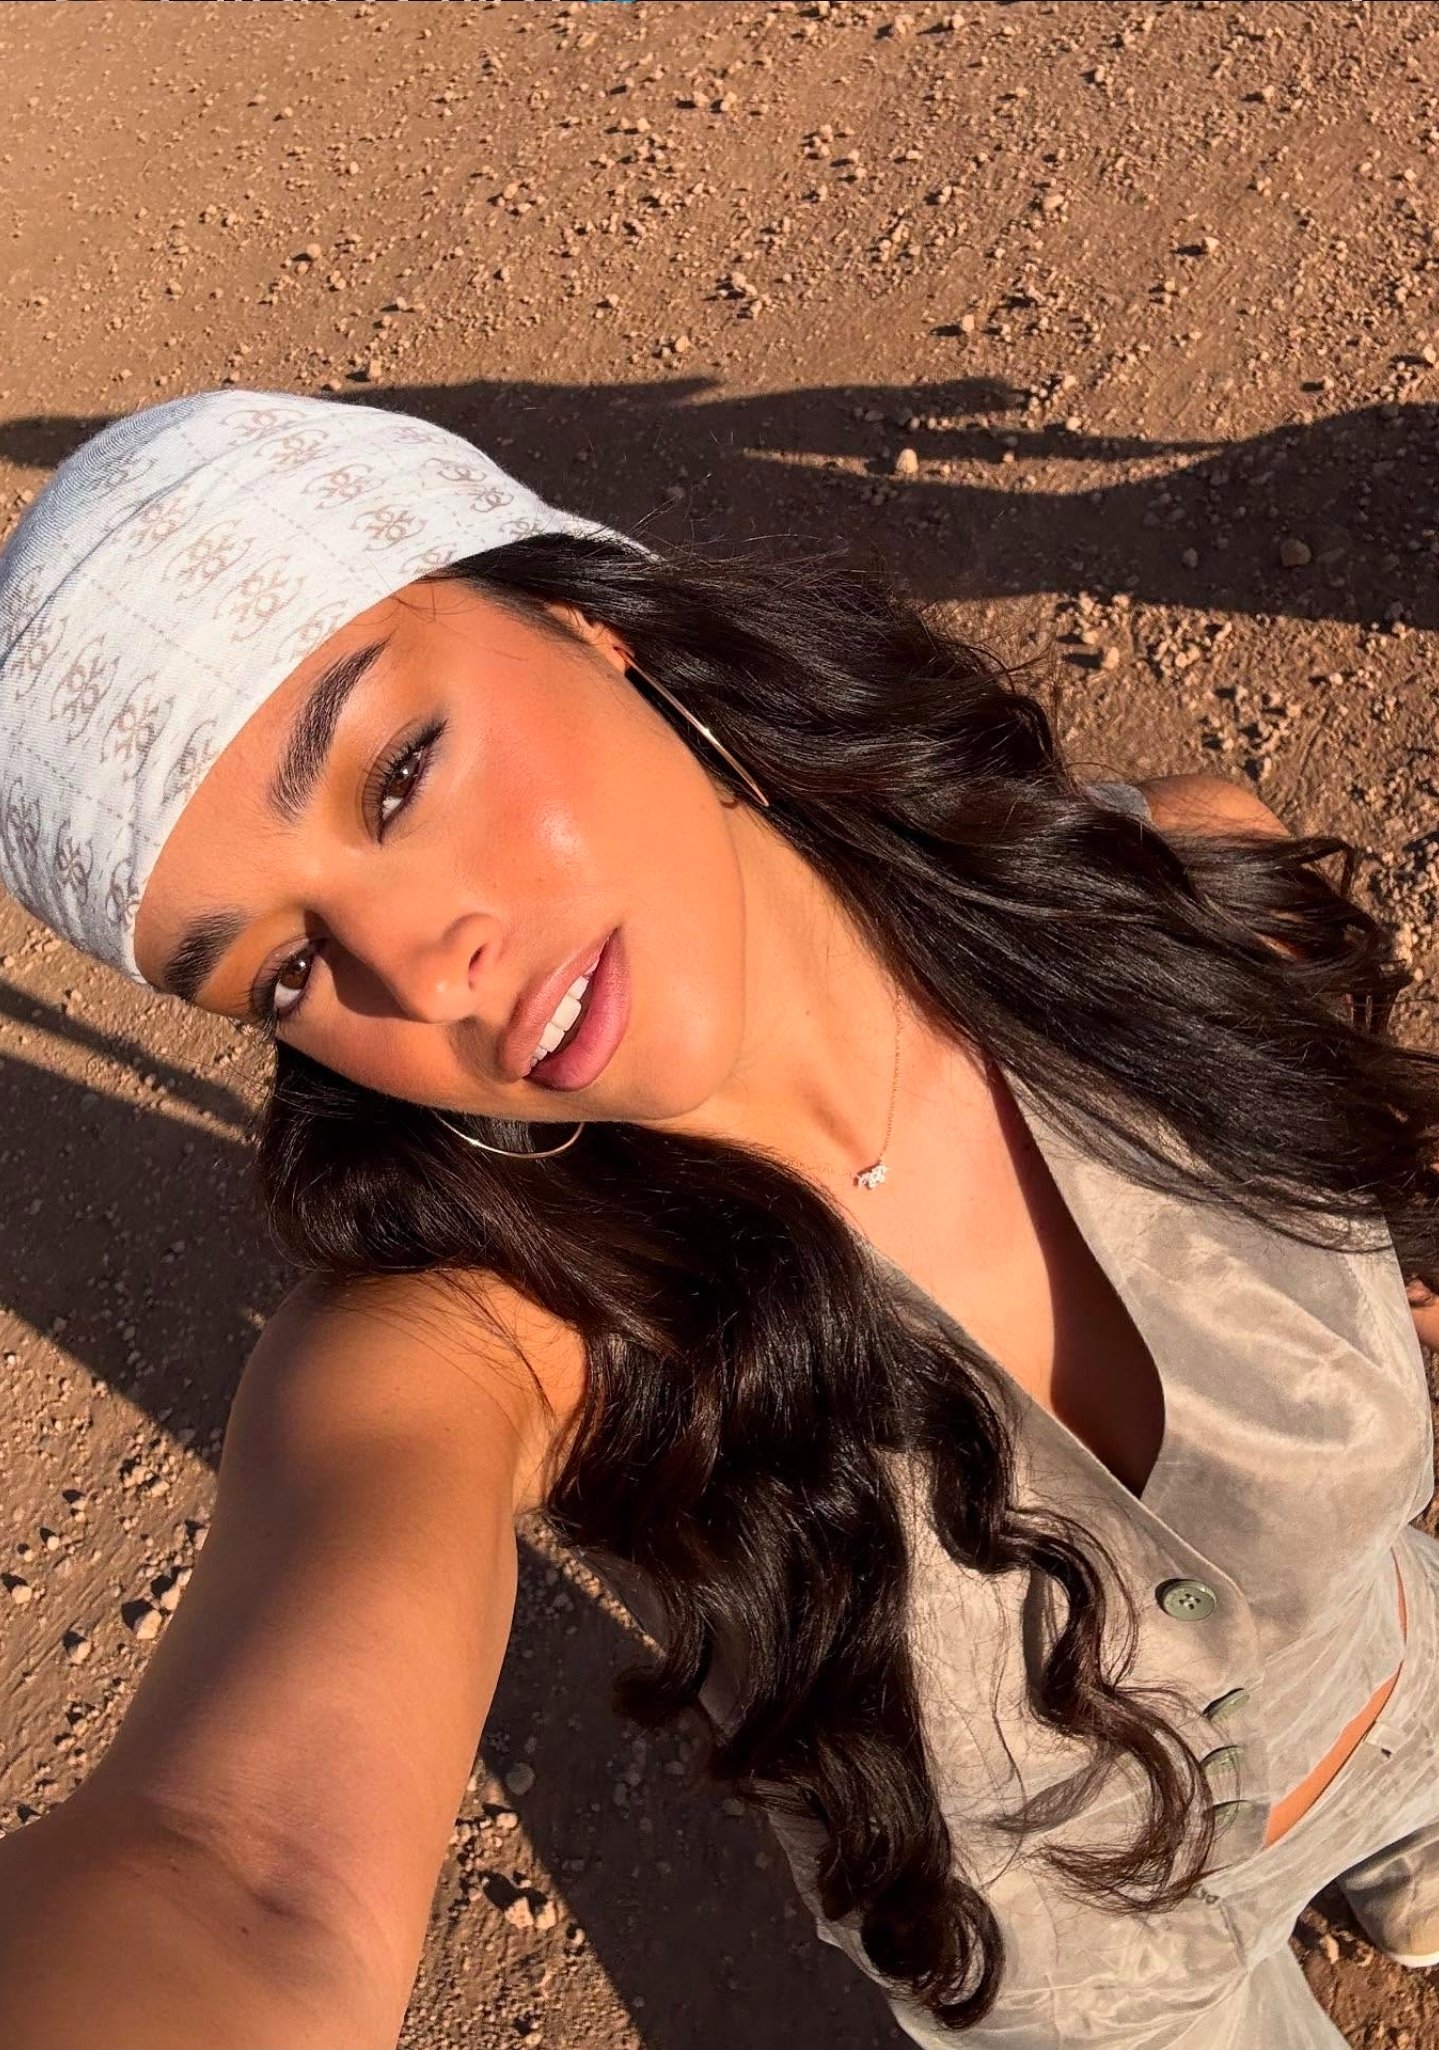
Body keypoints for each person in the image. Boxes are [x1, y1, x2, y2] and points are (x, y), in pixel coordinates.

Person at [0, 387, 1436, 2050]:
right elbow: (238, 1869)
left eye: (398, 774)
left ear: (580, 619)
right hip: (1114, 2001)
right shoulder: (500, 1335)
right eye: (289, 969)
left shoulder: (1170, 903)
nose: (421, 965)